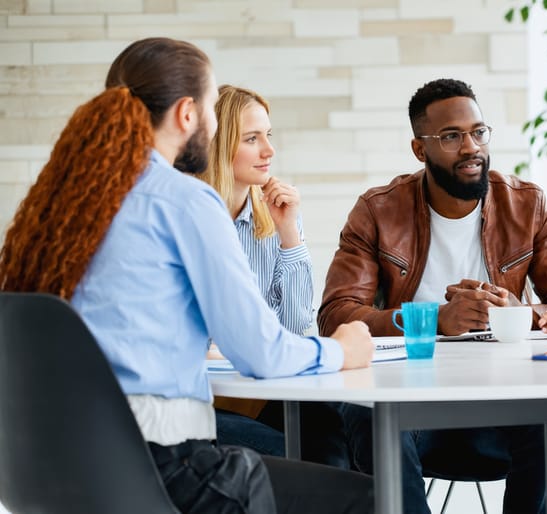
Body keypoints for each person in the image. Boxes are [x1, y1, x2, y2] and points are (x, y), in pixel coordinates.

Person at [0, 37, 374, 514]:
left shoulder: (62, 206)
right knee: (370, 498)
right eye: (213, 107)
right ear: (186, 114)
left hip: (44, 466)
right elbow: (261, 352)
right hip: (162, 467)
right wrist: (343, 349)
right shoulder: (183, 200)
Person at [318, 78, 547, 514]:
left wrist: (520, 313)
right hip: (411, 415)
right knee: (365, 414)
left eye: (478, 132)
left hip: (506, 408)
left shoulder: (528, 205)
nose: (471, 147)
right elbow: (336, 315)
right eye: (451, 136)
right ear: (419, 149)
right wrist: (431, 318)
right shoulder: (378, 210)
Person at [199, 85, 346, 466]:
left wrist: (289, 234)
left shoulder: (273, 215)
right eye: (252, 138)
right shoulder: (192, 219)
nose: (269, 150)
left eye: (269, 135)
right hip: (204, 400)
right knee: (305, 458)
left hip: (263, 392)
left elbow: (297, 326)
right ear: (218, 145)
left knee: (343, 435)